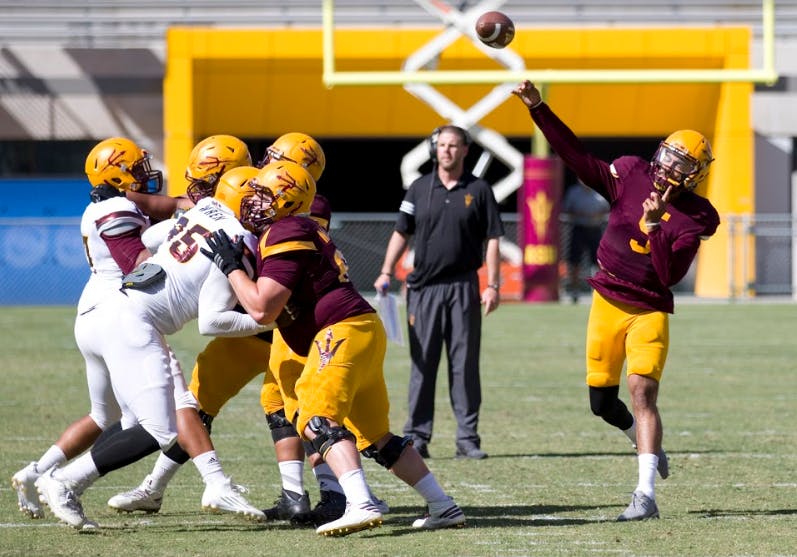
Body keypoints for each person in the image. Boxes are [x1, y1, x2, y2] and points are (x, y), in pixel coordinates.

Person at [103, 133, 383, 526]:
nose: (265, 167)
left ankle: (335, 493)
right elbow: (187, 205)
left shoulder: (302, 210)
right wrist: (126, 198)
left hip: (275, 321)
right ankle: (159, 487)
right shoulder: (260, 195)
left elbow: (273, 264)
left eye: (275, 159)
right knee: (205, 400)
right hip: (256, 321)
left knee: (296, 405)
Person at [202, 160, 466, 537]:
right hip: (358, 328)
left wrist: (231, 268)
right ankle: (443, 505)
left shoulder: (285, 229)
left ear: (287, 200)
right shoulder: (296, 227)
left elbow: (262, 309)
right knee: (376, 437)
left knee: (315, 419)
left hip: (339, 331)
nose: (253, 202)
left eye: (263, 195)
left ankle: (360, 502)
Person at [511, 80, 720, 521]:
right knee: (602, 404)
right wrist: (539, 109)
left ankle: (645, 495)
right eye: (668, 156)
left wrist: (652, 228)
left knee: (642, 392)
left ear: (695, 174)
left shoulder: (697, 216)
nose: (669, 168)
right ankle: (642, 442)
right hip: (607, 300)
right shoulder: (630, 173)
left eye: (681, 164)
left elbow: (670, 276)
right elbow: (579, 159)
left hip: (648, 309)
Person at [33, 166, 271, 530]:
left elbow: (152, 237)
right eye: (256, 197)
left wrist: (174, 267)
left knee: (160, 411)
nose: (262, 204)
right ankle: (64, 481)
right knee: (163, 430)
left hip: (113, 310)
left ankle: (217, 485)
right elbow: (212, 322)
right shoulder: (241, 240)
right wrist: (270, 321)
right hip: (132, 324)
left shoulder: (205, 210)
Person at [10, 137, 162, 521]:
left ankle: (34, 473)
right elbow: (140, 268)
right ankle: (63, 482)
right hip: (117, 316)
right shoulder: (117, 209)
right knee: (157, 425)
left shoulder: (105, 204)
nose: (145, 175)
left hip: (92, 310)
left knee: (103, 417)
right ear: (117, 172)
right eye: (137, 168)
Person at [373, 124, 504, 460]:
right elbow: (402, 232)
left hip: (463, 286)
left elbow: (492, 238)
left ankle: (467, 439)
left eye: (452, 145)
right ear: (435, 149)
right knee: (423, 364)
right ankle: (417, 436)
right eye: (441, 145)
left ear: (464, 151)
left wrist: (492, 284)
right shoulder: (418, 188)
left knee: (464, 364)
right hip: (424, 289)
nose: (446, 150)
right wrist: (386, 271)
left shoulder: (480, 189)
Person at [561, 179, 609, 303]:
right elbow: (566, 208)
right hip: (579, 228)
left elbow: (608, 208)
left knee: (598, 261)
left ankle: (598, 289)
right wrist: (580, 213)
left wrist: (597, 214)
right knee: (574, 261)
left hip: (595, 228)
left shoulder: (599, 192)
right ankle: (574, 290)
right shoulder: (574, 192)